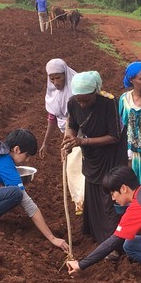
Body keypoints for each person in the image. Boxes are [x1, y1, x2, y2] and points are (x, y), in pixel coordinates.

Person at [61, 71, 128, 243]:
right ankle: (97, 235)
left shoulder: (109, 102)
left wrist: (82, 142)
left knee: (109, 195)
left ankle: (112, 241)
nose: (82, 105)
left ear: (96, 92)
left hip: (111, 154)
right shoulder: (73, 103)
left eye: (87, 100)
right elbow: (73, 126)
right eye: (79, 100)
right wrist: (69, 140)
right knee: (93, 191)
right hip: (91, 155)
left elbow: (115, 136)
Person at [39, 58, 85, 214]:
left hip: (84, 137)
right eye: (52, 78)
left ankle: (85, 200)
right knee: (72, 170)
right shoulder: (52, 94)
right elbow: (52, 120)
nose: (55, 82)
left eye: (58, 77)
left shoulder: (77, 88)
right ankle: (79, 202)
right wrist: (45, 143)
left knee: (80, 168)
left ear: (65, 74)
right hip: (68, 137)